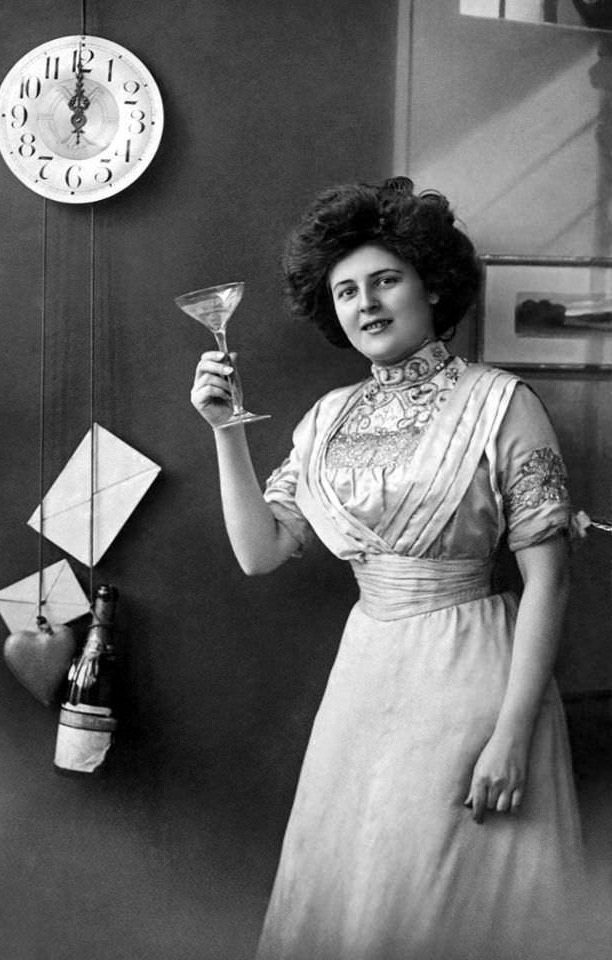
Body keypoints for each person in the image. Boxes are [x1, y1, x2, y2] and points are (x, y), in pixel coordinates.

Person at [190, 177, 586, 960]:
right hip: (366, 677)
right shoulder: (328, 418)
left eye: (385, 280)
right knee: (356, 902)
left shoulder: (500, 402)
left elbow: (550, 578)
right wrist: (224, 431)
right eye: (345, 291)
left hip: (472, 671)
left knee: (442, 907)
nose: (365, 303)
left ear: (431, 285)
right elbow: (259, 552)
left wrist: (512, 735)